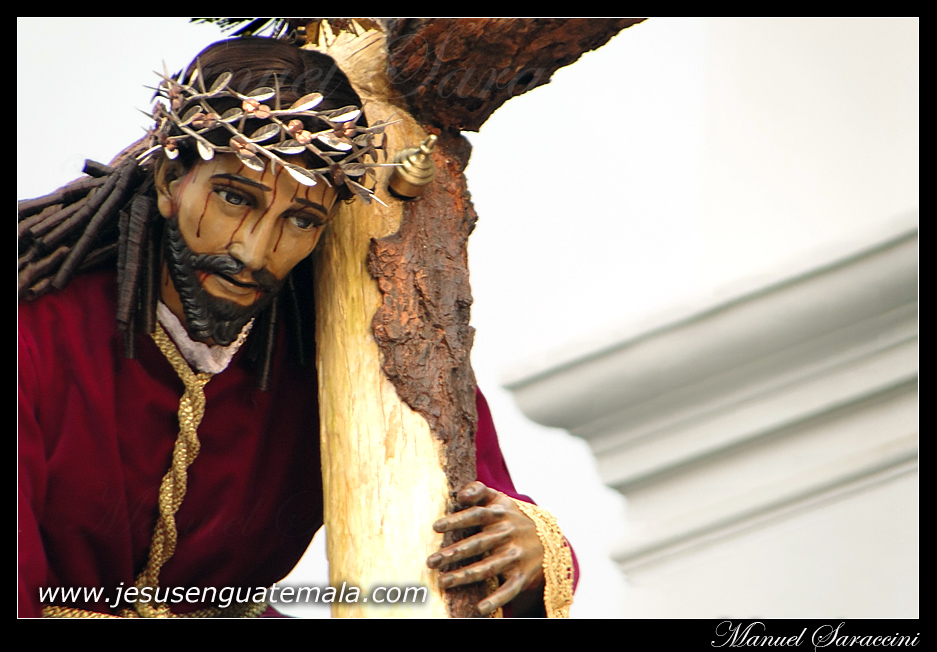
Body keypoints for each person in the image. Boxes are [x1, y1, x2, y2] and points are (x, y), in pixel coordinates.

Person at [18, 36, 575, 618]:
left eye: (301, 220)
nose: (254, 251)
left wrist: (527, 545)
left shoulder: (351, 344)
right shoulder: (35, 332)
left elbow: (481, 498)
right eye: (234, 198)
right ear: (168, 183)